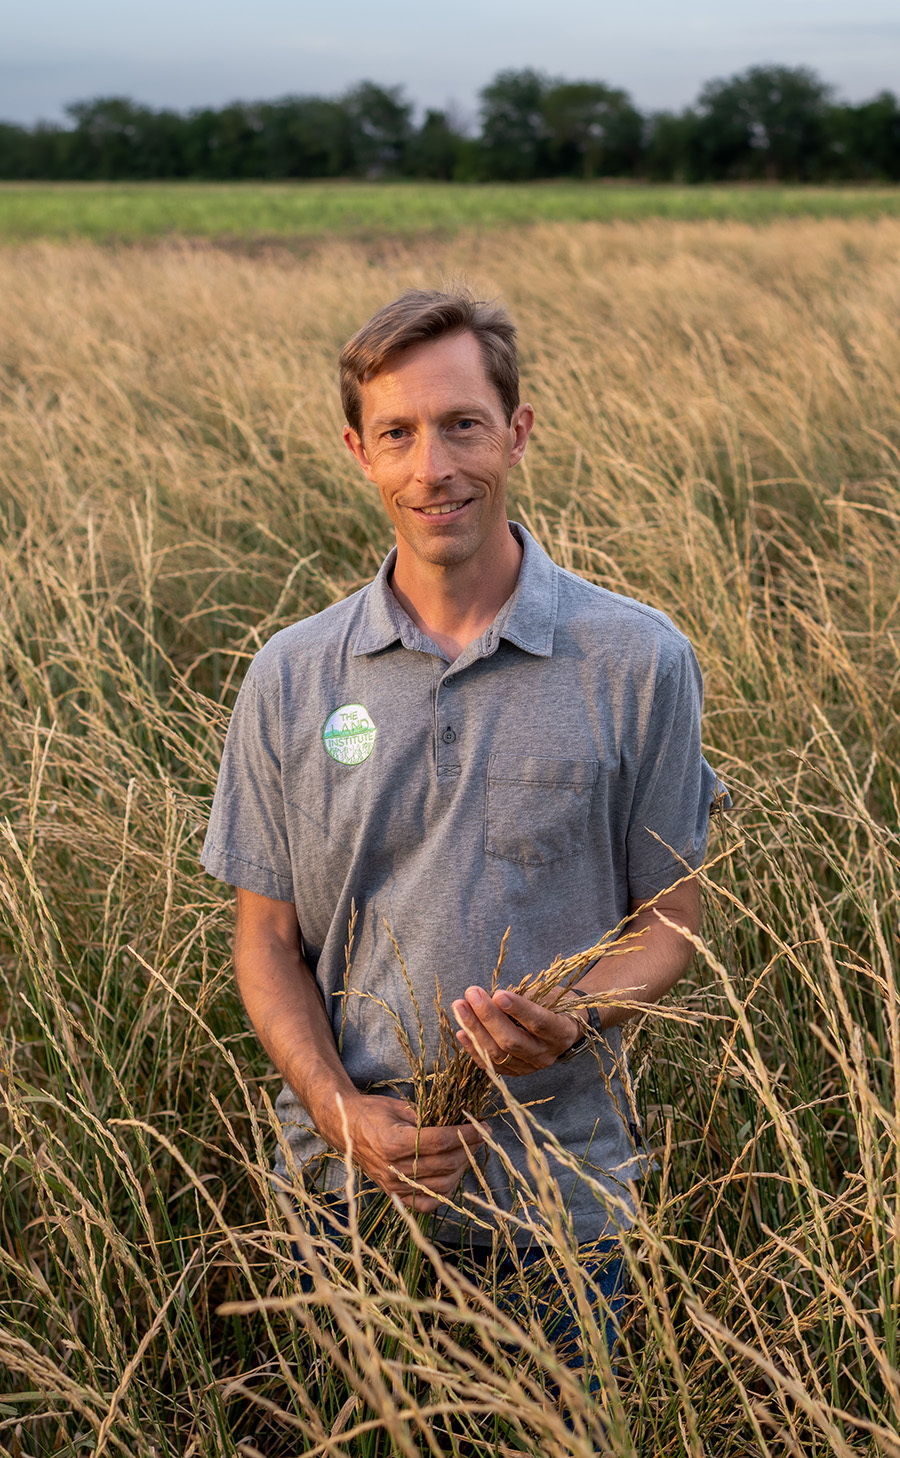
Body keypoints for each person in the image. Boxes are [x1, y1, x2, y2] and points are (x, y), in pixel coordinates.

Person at [201, 287, 722, 1355]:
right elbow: (265, 943)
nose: (434, 467)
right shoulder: (295, 675)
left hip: (560, 1204)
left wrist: (574, 1015)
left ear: (517, 432)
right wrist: (342, 1114)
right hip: (341, 1205)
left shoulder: (637, 659)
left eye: (463, 425)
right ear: (360, 452)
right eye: (399, 433)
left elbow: (671, 916)